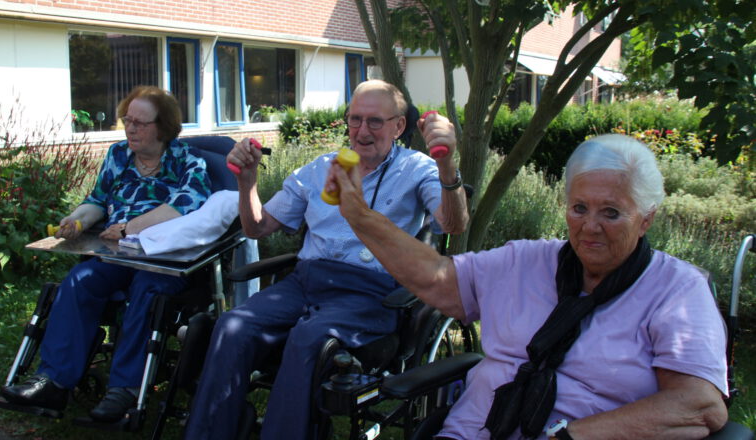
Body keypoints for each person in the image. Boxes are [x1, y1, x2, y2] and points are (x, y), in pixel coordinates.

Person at [331, 133, 729, 439]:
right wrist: (360, 216)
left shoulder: (676, 290)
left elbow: (699, 405)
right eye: (579, 208)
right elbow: (436, 278)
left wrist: (572, 436)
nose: (590, 226)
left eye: (611, 212)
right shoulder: (526, 261)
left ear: (646, 219)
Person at [183, 80, 469, 440]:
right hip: (306, 282)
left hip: (371, 291)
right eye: (355, 120)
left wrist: (446, 165)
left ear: (399, 126)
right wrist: (248, 183)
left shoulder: (417, 169)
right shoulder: (320, 170)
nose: (362, 131)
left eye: (375, 122)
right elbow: (257, 227)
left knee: (310, 337)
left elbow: (454, 224)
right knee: (233, 326)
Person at [0, 86, 212, 422]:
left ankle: (125, 390)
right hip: (115, 254)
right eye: (128, 120)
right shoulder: (117, 156)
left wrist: (132, 226)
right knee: (78, 281)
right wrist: (76, 220)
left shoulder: (188, 162)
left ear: (163, 126)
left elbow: (188, 205)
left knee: (147, 290)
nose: (131, 128)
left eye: (141, 123)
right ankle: (53, 381)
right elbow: (98, 200)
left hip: (162, 260)